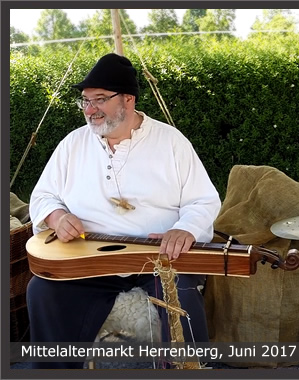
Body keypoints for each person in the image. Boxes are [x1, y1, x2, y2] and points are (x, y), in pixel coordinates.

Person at [27, 53, 222, 369]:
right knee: (42, 289)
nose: (90, 110)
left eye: (100, 100)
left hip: (159, 258)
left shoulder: (172, 143)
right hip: (90, 258)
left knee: (180, 297)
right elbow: (43, 196)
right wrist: (57, 216)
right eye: (85, 101)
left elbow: (203, 201)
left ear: (128, 100)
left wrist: (185, 229)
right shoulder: (73, 144)